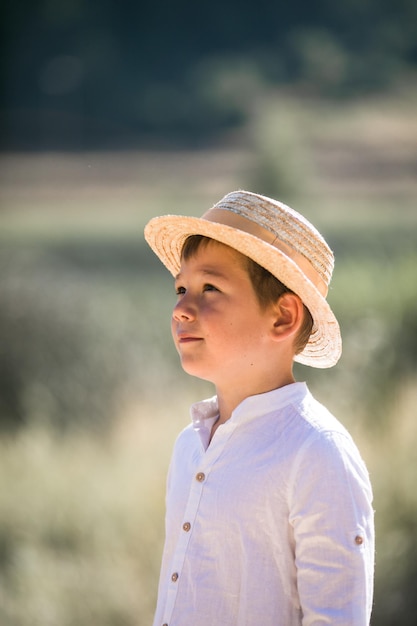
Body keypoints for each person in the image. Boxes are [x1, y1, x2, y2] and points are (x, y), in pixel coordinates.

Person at [144, 190, 374, 626]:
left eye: (210, 288)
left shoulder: (317, 453)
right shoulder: (188, 446)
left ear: (283, 318)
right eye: (180, 288)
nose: (181, 309)